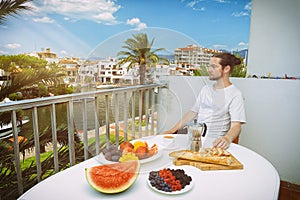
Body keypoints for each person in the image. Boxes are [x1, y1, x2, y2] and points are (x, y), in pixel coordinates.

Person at [164, 52, 246, 149]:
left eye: (214, 67)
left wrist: (227, 138)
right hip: (196, 139)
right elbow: (192, 113)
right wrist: (171, 131)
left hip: (214, 143)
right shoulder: (206, 89)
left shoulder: (235, 94)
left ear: (226, 69)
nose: (209, 70)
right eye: (209, 66)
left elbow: (236, 125)